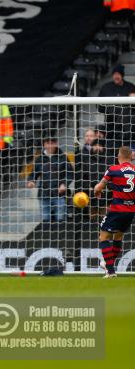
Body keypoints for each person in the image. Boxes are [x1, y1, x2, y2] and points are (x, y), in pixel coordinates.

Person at [94, 146, 135, 278]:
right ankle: (107, 264)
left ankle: (111, 271)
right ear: (131, 157)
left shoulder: (113, 169)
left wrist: (97, 191)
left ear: (119, 156)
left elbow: (99, 187)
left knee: (103, 237)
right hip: (130, 211)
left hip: (117, 209)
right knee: (118, 237)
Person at [27, 136, 73, 223]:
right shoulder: (39, 159)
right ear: (44, 145)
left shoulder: (63, 157)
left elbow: (69, 173)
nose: (50, 145)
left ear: (56, 144)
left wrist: (64, 184)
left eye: (52, 143)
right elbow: (34, 174)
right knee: (45, 220)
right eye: (48, 143)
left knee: (60, 220)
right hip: (44, 194)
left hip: (59, 194)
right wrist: (31, 181)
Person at [98, 65, 135, 147]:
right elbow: (99, 107)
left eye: (118, 74)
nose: (116, 76)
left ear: (122, 75)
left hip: (128, 128)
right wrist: (110, 108)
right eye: (114, 74)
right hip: (111, 125)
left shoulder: (130, 87)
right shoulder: (106, 88)